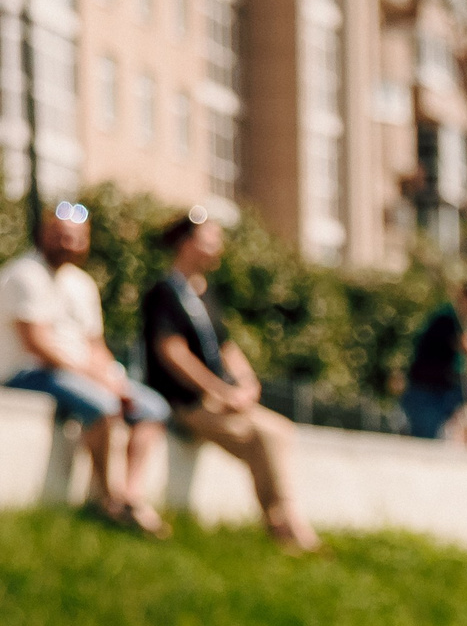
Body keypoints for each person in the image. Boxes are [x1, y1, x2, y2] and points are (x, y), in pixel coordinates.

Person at [141, 208, 319, 552]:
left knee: (280, 431)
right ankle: (286, 524)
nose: (218, 248)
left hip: (219, 399)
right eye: (210, 241)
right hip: (185, 401)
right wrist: (218, 391)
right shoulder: (164, 293)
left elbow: (225, 345)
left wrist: (247, 382)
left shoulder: (203, 292)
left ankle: (281, 520)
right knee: (263, 437)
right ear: (187, 244)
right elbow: (172, 353)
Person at [1, 200, 170, 534]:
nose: (70, 243)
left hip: (78, 374)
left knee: (152, 408)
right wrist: (98, 381)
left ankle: (132, 497)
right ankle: (110, 499)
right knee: (102, 404)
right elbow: (37, 343)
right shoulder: (23, 275)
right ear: (44, 235)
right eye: (61, 235)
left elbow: (95, 345)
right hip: (28, 371)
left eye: (77, 237)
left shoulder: (83, 284)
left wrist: (113, 378)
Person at [401, 282, 467, 439]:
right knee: (428, 438)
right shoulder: (447, 318)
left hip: (450, 391)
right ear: (464, 295)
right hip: (428, 391)